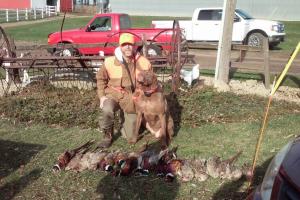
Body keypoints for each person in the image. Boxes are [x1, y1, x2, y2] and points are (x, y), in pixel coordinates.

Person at [96, 33, 152, 148]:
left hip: (131, 99)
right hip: (113, 94)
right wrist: (102, 97)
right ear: (120, 46)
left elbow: (150, 82)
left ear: (135, 46)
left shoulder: (144, 62)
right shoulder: (109, 62)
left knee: (130, 137)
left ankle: (127, 121)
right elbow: (100, 79)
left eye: (130, 44)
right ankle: (107, 136)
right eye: (124, 44)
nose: (127, 47)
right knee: (107, 109)